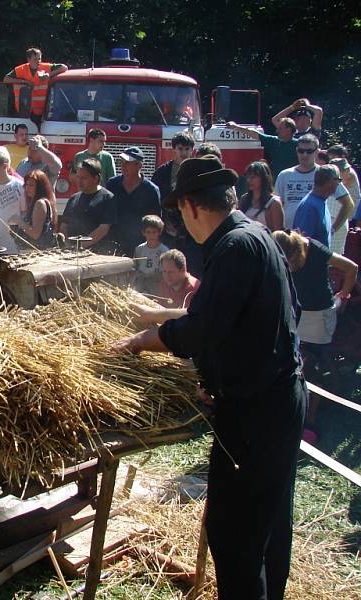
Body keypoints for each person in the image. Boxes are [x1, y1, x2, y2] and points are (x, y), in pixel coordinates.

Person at [115, 156, 306, 600]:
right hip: (278, 400)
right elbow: (240, 317)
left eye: (180, 212)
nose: (182, 222)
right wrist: (162, 317)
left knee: (233, 534)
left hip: (255, 414)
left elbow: (204, 329)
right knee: (268, 524)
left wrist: (143, 339)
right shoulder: (256, 236)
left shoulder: (235, 248)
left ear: (193, 207)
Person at [272, 229, 357, 432]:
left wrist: (344, 295)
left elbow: (351, 268)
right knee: (293, 359)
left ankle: (309, 417)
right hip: (298, 313)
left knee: (312, 366)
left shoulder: (315, 249)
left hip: (320, 315)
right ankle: (291, 404)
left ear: (295, 254)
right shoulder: (281, 250)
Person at [107, 146, 162, 255]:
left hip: (140, 246)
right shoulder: (112, 185)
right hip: (113, 243)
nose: (123, 166)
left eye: (127, 163)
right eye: (121, 162)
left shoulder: (151, 190)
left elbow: (155, 221)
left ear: (139, 165)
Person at [59, 158, 117, 252]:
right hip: (70, 252)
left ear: (96, 178)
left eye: (83, 178)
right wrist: (67, 246)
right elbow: (64, 226)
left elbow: (103, 228)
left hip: (97, 254)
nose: (79, 181)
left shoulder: (107, 198)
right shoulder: (74, 198)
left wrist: (80, 246)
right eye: (78, 177)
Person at [152, 132, 195, 246]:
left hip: (192, 227)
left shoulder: (198, 172)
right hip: (168, 228)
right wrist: (163, 221)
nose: (183, 153)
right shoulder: (162, 172)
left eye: (187, 149)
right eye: (180, 148)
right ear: (174, 150)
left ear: (192, 150)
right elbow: (155, 199)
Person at [3, 47, 68, 124]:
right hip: (24, 110)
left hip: (43, 111)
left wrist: (49, 74)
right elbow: (6, 79)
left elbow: (64, 67)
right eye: (35, 59)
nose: (38, 61)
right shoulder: (20, 69)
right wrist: (24, 82)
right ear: (28, 59)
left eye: (39, 59)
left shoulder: (46, 67)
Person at [275, 133, 321, 228]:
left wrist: (333, 228)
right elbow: (277, 205)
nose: (304, 154)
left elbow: (347, 203)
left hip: (316, 233)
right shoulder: (285, 175)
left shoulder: (324, 174)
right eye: (301, 151)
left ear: (316, 152)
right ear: (297, 151)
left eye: (309, 151)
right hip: (289, 232)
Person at [227, 118, 297, 178]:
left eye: (280, 128)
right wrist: (235, 126)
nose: (277, 131)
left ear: (289, 130)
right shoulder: (274, 141)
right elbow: (254, 134)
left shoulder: (299, 145)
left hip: (293, 180)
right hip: (276, 181)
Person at [292, 164, 340, 248]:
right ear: (331, 182)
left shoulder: (320, 202)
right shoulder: (310, 207)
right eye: (338, 180)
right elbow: (301, 244)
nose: (339, 184)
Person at [13, 169, 55, 250]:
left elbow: (35, 234)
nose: (27, 188)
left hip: (36, 252)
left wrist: (19, 221)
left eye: (31, 185)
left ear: (39, 187)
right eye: (26, 185)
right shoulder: (36, 202)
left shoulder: (40, 204)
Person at [238, 162, 284, 231]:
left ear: (264, 178)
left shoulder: (274, 203)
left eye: (253, 177)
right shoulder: (244, 199)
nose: (249, 180)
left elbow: (278, 234)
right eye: (248, 176)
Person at [133, 215, 169, 295]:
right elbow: (136, 267)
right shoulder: (139, 249)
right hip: (141, 284)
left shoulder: (164, 251)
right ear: (143, 233)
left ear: (159, 232)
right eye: (148, 232)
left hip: (156, 284)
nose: (151, 235)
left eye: (154, 232)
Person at [327, 146, 360, 216]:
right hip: (341, 210)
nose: (331, 161)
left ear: (343, 156)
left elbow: (335, 190)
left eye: (333, 158)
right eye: (329, 158)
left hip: (349, 211)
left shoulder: (348, 172)